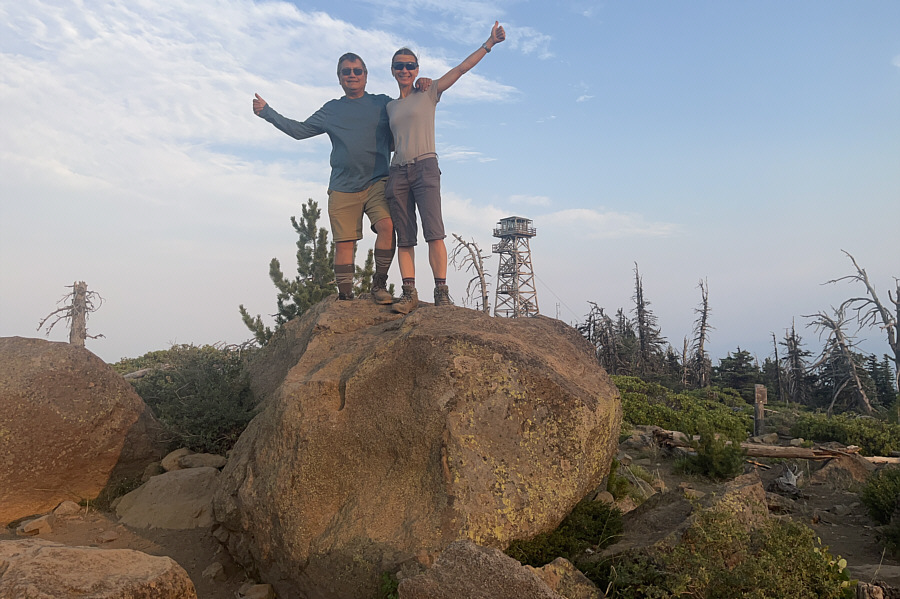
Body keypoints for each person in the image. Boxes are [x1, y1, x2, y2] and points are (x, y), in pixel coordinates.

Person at [253, 53, 427, 303]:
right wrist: (267, 113)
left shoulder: (382, 104)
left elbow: (407, 111)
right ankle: (346, 297)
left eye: (357, 71)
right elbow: (300, 131)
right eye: (346, 72)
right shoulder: (331, 110)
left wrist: (422, 86)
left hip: (378, 181)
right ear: (339, 78)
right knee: (345, 244)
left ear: (366, 76)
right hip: (343, 187)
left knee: (388, 227)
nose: (352, 75)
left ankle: (379, 285)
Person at [386, 22, 506, 314]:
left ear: (417, 69)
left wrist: (488, 44)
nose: (405, 70)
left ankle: (441, 291)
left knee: (434, 232)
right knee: (405, 236)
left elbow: (462, 68)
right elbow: (388, 143)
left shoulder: (428, 92)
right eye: (399, 66)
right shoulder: (389, 107)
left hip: (426, 166)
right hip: (398, 171)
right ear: (393, 70)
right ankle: (409, 293)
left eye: (410, 65)